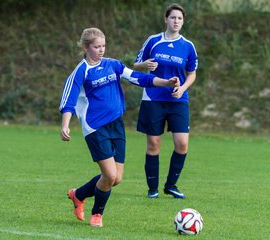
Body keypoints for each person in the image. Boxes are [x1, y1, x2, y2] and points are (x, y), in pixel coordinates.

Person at [59, 27, 179, 227]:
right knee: (109, 175)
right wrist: (65, 125)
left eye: (103, 46)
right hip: (95, 128)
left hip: (117, 125)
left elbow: (140, 78)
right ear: (86, 47)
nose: (101, 50)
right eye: (97, 46)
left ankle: (78, 194)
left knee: (117, 178)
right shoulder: (81, 71)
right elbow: (68, 100)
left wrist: (165, 82)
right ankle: (97, 214)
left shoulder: (113, 65)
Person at [133, 3, 198, 199]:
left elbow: (192, 73)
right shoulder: (153, 41)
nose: (176, 21)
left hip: (178, 100)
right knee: (154, 143)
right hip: (153, 98)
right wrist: (144, 64)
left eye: (179, 18)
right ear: (166, 19)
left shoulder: (188, 46)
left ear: (183, 21)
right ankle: (152, 189)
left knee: (182, 144)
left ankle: (171, 185)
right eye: (173, 17)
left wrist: (183, 88)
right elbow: (136, 64)